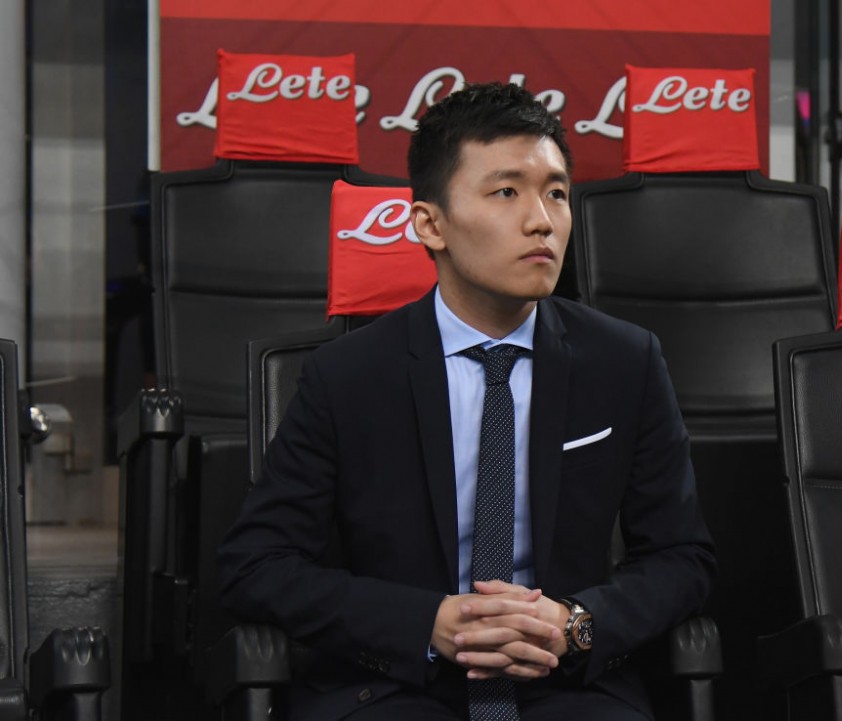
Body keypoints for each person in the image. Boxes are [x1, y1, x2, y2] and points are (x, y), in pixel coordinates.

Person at [217, 81, 715, 721]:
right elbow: (255, 565)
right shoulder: (347, 375)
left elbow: (682, 558)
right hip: (399, 685)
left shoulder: (625, 361)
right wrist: (425, 621)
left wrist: (575, 624)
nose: (541, 220)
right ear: (430, 224)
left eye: (556, 193)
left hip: (566, 685)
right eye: (506, 192)